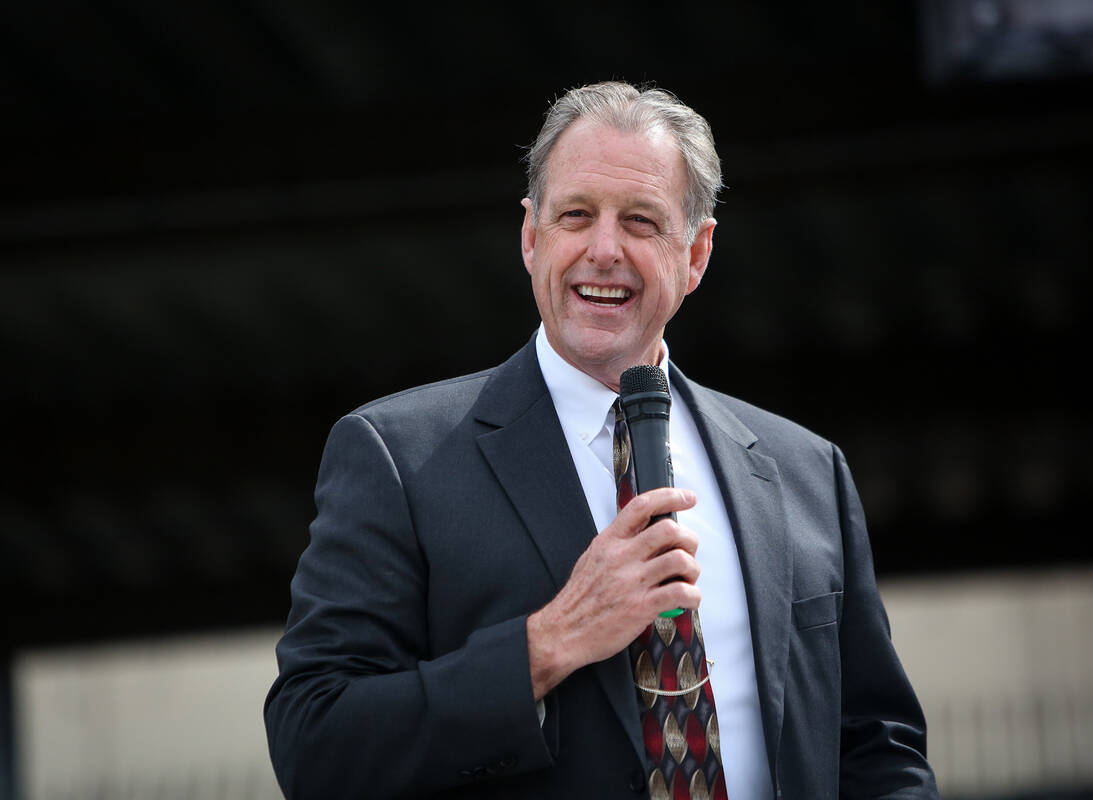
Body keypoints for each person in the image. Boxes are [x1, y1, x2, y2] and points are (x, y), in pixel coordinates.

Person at [265, 81, 938, 799]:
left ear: (696, 252)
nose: (604, 249)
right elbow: (315, 742)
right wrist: (549, 642)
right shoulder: (399, 459)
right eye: (576, 215)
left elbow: (878, 750)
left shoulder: (806, 471)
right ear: (531, 237)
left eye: (641, 221)